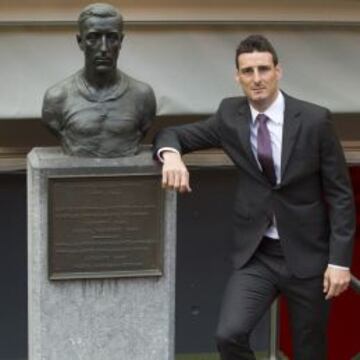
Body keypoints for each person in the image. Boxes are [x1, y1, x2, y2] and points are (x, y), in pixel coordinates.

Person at [153, 34, 355, 359]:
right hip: (258, 256)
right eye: (248, 71)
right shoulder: (229, 115)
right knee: (229, 335)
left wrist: (339, 261)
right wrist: (172, 156)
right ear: (238, 76)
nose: (257, 79)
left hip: (309, 257)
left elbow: (341, 195)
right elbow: (172, 134)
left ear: (278, 71)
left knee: (309, 350)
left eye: (263, 69)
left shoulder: (315, 120)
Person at [42, 3, 156, 158]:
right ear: (80, 42)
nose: (103, 48)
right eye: (93, 37)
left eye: (111, 38)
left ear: (121, 41)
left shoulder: (143, 95)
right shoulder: (57, 97)